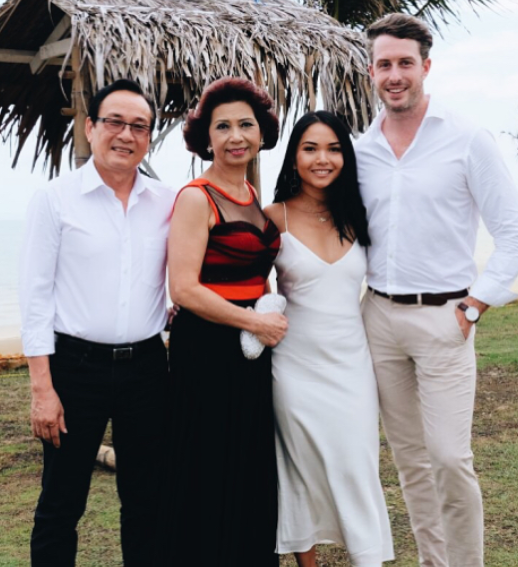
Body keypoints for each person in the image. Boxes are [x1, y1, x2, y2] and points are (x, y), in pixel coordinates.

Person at [355, 14, 518, 567]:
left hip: (446, 318)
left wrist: (478, 302)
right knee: (409, 461)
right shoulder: (361, 148)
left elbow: (512, 231)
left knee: (450, 458)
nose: (394, 74)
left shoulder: (468, 138)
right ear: (371, 71)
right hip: (378, 317)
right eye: (384, 64)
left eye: (405, 63)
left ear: (426, 67)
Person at [19, 79, 177, 567]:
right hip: (74, 369)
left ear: (149, 136)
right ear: (90, 128)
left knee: (147, 503)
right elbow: (35, 299)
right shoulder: (55, 199)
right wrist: (43, 390)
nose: (126, 134)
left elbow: (182, 279)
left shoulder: (168, 202)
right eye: (115, 122)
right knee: (61, 504)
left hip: (148, 369)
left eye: (139, 126)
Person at [153, 77, 288, 567]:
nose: (236, 136)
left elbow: (257, 274)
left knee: (248, 463)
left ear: (262, 133)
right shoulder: (196, 197)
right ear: (205, 137)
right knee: (206, 464)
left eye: (246, 125)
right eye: (223, 126)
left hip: (253, 349)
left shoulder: (256, 197)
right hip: (206, 347)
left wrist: (268, 313)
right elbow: (183, 289)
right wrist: (253, 324)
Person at [265, 110, 394, 567]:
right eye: (310, 148)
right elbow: (247, 288)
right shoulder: (272, 217)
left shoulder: (357, 214)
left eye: (334, 148)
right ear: (294, 157)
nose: (323, 159)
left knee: (357, 468)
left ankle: (367, 559)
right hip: (294, 368)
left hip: (352, 366)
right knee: (299, 472)